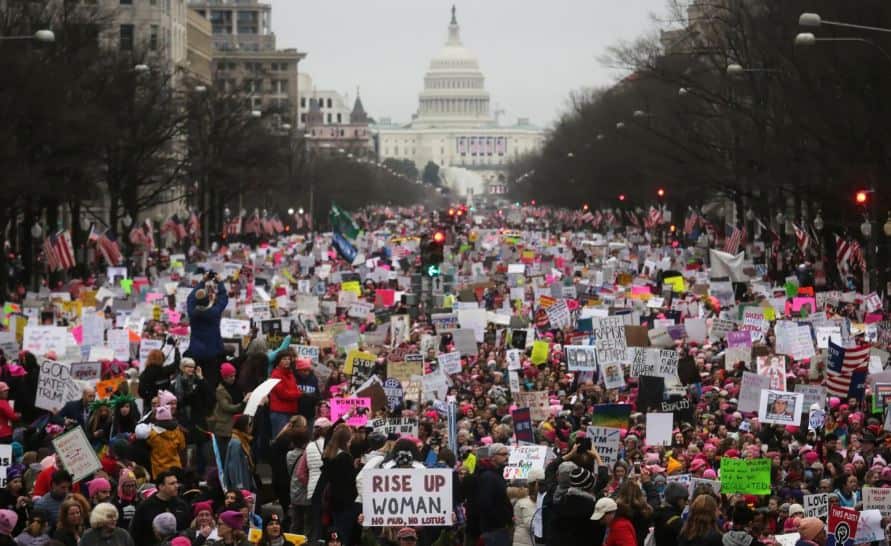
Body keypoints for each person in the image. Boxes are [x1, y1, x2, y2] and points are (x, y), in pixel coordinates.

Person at [185, 274, 229, 398]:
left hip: (196, 353)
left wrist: (202, 281)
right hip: (212, 354)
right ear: (208, 301)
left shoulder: (192, 314)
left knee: (196, 382)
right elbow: (223, 299)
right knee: (211, 384)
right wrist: (220, 283)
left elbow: (190, 299)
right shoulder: (214, 313)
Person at [319, 424, 357, 546]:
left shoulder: (329, 456)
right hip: (346, 503)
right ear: (346, 440)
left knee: (337, 535)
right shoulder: (345, 458)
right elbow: (350, 482)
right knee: (344, 535)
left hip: (334, 501)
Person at [129, 471, 190, 546]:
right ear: (161, 486)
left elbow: (188, 529)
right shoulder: (146, 506)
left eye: (176, 483)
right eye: (172, 484)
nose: (177, 486)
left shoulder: (181, 505)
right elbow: (135, 533)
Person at [474, 443, 512, 546]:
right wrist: (502, 517)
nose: (507, 457)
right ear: (493, 457)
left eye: (507, 454)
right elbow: (486, 504)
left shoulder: (496, 474)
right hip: (493, 530)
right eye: (503, 454)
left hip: (499, 528)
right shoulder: (488, 476)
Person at [136, 404, 186, 477]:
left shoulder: (153, 434)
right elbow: (182, 447)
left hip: (159, 470)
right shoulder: (178, 431)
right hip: (175, 468)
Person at [269, 351, 302, 436]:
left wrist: (296, 392)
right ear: (278, 361)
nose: (287, 361)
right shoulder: (276, 375)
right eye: (284, 359)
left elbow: (294, 389)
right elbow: (283, 394)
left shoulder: (290, 374)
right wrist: (297, 394)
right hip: (280, 412)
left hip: (290, 411)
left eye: (288, 359)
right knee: (280, 438)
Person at [223, 415, 255, 491]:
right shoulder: (236, 443)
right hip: (240, 483)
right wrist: (239, 485)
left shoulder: (242, 439)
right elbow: (234, 465)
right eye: (250, 425)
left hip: (245, 477)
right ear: (244, 426)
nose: (252, 428)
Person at [652, 482, 688, 546]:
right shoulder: (677, 522)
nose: (686, 503)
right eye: (685, 499)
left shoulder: (658, 512)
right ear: (679, 500)